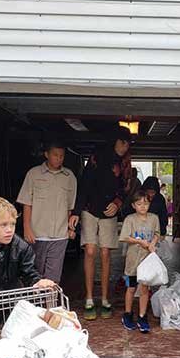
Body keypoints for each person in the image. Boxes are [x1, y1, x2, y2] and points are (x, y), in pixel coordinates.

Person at [69, 126, 132, 320]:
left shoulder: (125, 163)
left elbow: (126, 188)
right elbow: (85, 183)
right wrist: (76, 211)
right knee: (89, 250)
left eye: (128, 144)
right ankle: (89, 298)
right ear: (115, 140)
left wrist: (117, 203)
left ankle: (105, 299)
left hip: (109, 212)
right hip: (89, 209)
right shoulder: (96, 157)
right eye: (122, 142)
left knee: (105, 253)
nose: (125, 146)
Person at [17, 140, 77, 284]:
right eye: (55, 155)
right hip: (36, 234)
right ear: (46, 155)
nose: (58, 158)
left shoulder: (69, 177)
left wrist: (70, 228)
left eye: (61, 156)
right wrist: (27, 228)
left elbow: (70, 207)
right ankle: (35, 306)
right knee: (34, 276)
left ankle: (49, 306)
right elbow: (26, 203)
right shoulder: (33, 174)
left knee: (53, 279)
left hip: (59, 236)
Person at [119, 190, 160, 333]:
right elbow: (124, 237)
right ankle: (128, 314)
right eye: (139, 204)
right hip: (133, 261)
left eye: (146, 203)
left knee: (144, 288)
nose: (143, 206)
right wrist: (139, 241)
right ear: (133, 205)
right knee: (131, 288)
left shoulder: (154, 218)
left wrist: (153, 242)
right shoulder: (130, 219)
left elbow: (157, 233)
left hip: (147, 260)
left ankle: (142, 316)